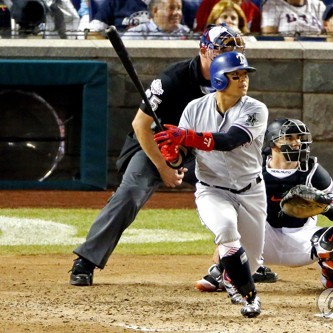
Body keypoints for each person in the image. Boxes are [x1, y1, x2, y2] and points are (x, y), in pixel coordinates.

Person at [69, 23, 249, 286]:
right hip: (154, 143)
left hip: (200, 148)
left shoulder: (236, 80)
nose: (228, 59)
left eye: (234, 51)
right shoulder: (173, 79)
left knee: (242, 191)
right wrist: (164, 166)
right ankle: (85, 260)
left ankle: (230, 265)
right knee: (131, 192)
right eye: (222, 51)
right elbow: (140, 125)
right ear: (204, 51)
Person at [195, 118, 333, 294]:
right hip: (262, 237)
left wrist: (327, 208)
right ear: (273, 142)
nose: (297, 143)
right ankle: (226, 273)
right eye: (290, 138)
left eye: (300, 138)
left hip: (301, 239)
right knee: (234, 218)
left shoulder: (313, 171)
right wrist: (223, 246)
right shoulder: (252, 167)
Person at [153, 51, 268, 317]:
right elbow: (182, 154)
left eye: (244, 75)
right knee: (226, 230)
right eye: (235, 75)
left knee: (249, 264)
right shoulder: (194, 109)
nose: (243, 80)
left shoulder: (255, 109)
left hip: (252, 192)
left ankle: (231, 276)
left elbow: (229, 140)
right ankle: (250, 297)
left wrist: (187, 137)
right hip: (212, 190)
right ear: (218, 80)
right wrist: (172, 155)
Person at [123, 0, 190, 39]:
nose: (177, 13)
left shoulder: (186, 32)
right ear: (155, 11)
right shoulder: (137, 33)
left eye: (179, 8)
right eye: (171, 8)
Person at [260, 0, 325, 37]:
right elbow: (269, 38)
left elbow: (329, 34)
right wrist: (284, 41)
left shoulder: (318, 5)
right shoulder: (272, 4)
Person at [194, 0, 261, 33]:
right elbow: (198, 32)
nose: (229, 20)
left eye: (233, 18)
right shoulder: (208, 3)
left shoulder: (253, 10)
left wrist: (239, 36)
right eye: (225, 17)